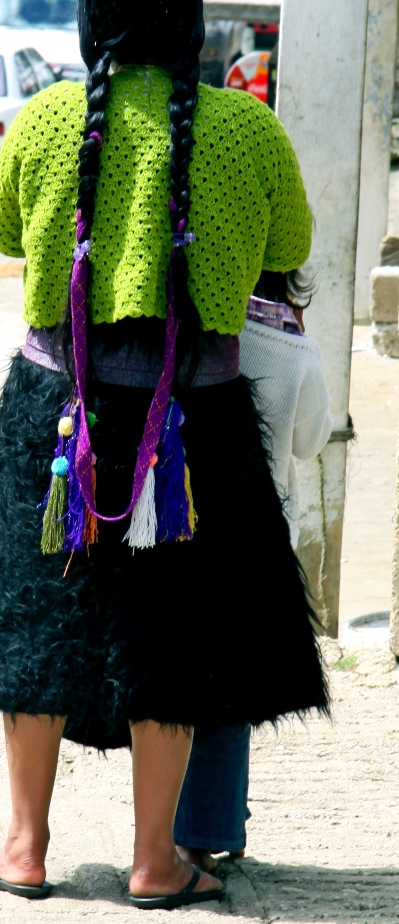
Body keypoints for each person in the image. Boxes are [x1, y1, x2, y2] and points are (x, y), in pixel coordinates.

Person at [0, 0, 329, 911]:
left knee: (34, 619)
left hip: (57, 415)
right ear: (189, 18)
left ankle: (23, 847)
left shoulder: (45, 119)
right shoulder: (246, 130)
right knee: (174, 632)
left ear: (91, 18)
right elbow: (288, 242)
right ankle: (157, 861)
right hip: (193, 419)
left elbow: (3, 232)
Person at [175, 269, 332, 874]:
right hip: (258, 538)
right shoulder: (294, 350)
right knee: (231, 684)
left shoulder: (200, 328)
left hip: (184, 522)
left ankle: (202, 824)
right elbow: (311, 441)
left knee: (185, 675)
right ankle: (210, 829)